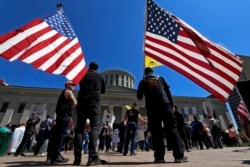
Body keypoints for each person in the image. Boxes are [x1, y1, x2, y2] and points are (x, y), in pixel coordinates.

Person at [137, 67, 188, 163]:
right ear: (153, 72)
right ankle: (179, 156)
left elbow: (139, 97)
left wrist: (143, 88)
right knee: (172, 128)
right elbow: (168, 93)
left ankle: (159, 157)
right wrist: (172, 106)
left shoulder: (143, 81)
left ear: (145, 73)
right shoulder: (160, 78)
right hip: (165, 105)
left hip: (152, 108)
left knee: (156, 131)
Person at [73, 62, 107, 166]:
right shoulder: (100, 76)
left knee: (79, 129)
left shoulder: (83, 75)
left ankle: (77, 158)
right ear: (97, 68)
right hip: (94, 104)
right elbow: (103, 91)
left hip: (82, 103)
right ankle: (92, 157)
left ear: (89, 67)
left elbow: (80, 85)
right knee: (95, 128)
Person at [48, 80, 77, 164]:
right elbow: (75, 103)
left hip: (60, 115)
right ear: (67, 85)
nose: (73, 86)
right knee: (62, 134)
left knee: (57, 135)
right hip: (65, 115)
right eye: (72, 84)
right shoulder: (68, 92)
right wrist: (70, 106)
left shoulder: (63, 93)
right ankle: (57, 155)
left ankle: (52, 156)